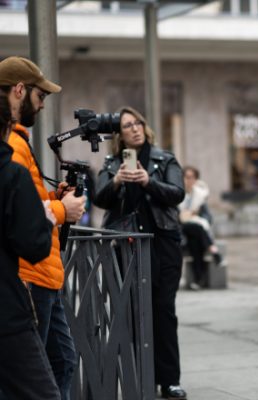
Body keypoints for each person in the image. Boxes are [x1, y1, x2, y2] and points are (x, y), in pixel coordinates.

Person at [0, 56, 82, 400]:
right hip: (29, 277)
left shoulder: (17, 141)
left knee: (61, 361)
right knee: (39, 376)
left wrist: (52, 196)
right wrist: (63, 209)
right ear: (20, 91)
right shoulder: (12, 146)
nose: (43, 103)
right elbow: (14, 213)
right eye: (40, 95)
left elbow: (22, 200)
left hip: (43, 274)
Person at [93, 106, 187, 400]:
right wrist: (118, 181)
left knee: (163, 310)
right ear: (119, 135)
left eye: (137, 123)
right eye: (126, 126)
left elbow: (177, 193)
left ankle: (168, 380)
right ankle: (137, 377)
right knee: (131, 311)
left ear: (145, 127)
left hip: (163, 244)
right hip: (126, 245)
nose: (134, 128)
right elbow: (99, 199)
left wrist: (149, 182)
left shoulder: (164, 158)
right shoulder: (112, 164)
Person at [0, 92, 60, 399]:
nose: (42, 104)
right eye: (39, 95)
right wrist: (54, 215)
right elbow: (30, 241)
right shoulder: (11, 168)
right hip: (13, 300)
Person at [179, 166, 224, 290]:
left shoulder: (199, 196)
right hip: (180, 230)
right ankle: (213, 250)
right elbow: (173, 218)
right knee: (196, 228)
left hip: (194, 233)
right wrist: (186, 215)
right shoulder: (177, 193)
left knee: (195, 242)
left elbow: (208, 217)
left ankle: (198, 280)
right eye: (186, 177)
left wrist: (195, 215)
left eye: (192, 177)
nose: (189, 180)